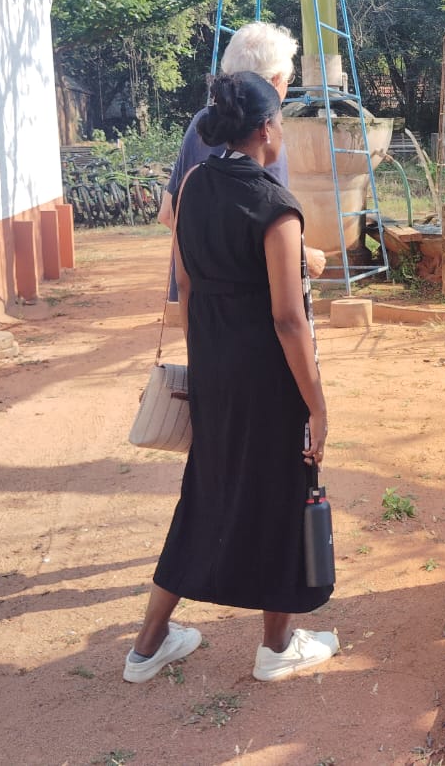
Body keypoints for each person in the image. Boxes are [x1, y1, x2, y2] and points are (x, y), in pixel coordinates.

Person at [125, 71, 336, 685]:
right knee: (285, 495)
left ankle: (147, 645)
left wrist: (207, 364)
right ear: (267, 129)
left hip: (214, 370)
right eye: (281, 123)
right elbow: (288, 319)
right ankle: (277, 646)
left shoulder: (192, 184)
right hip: (270, 380)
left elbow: (186, 287)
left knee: (204, 496)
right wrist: (317, 406)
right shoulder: (277, 207)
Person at [158, 22, 326, 291]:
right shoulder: (265, 138)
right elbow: (268, 226)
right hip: (248, 298)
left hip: (198, 295)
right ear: (275, 81)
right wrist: (304, 257)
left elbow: (169, 214)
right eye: (288, 78)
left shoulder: (203, 122)